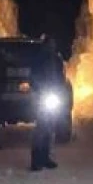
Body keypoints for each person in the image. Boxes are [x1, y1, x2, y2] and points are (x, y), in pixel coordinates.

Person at [30, 35, 63, 171]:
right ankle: (36, 160)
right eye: (50, 44)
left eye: (53, 44)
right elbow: (33, 77)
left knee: (49, 129)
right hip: (42, 96)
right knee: (41, 129)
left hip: (53, 95)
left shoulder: (56, 60)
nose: (52, 47)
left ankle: (45, 158)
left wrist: (60, 90)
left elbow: (60, 77)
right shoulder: (39, 59)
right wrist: (39, 89)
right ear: (45, 45)